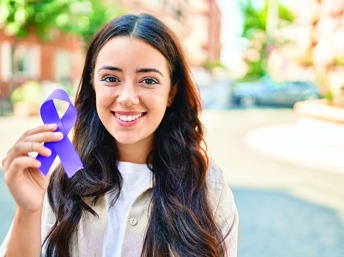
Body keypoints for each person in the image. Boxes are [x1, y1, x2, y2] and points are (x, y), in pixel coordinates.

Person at [0, 13, 238, 257]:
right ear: (93, 86)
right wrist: (27, 210)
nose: (126, 97)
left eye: (148, 80)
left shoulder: (209, 187)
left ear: (171, 92)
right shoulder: (60, 180)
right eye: (111, 78)